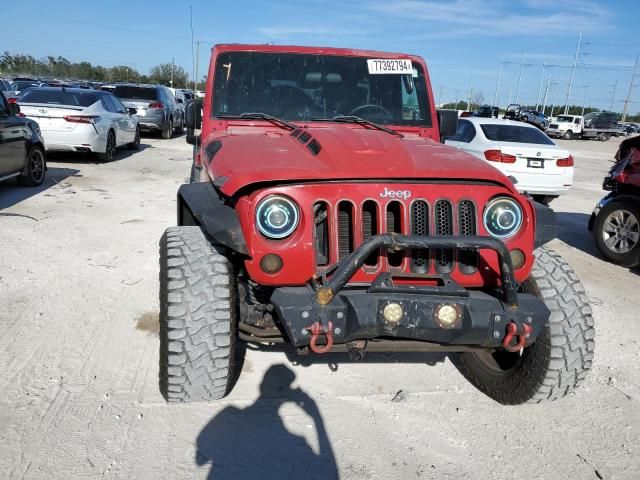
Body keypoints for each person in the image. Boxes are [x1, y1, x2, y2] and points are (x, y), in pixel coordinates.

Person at [195, 364, 339, 480]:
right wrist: (316, 418)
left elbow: (200, 460)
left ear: (261, 385)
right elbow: (329, 472)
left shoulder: (227, 416)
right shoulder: (295, 444)